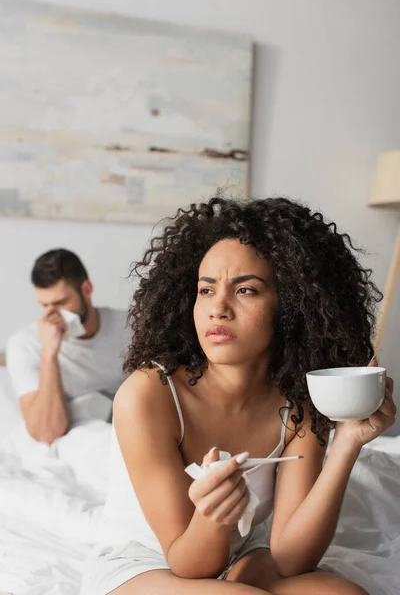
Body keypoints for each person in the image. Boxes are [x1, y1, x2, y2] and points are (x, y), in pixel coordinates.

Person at [80, 196, 396, 595]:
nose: (218, 309)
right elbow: (189, 563)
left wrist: (348, 441)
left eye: (246, 290)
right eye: (206, 290)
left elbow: (290, 558)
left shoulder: (297, 404)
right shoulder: (148, 396)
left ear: (292, 305)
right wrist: (215, 515)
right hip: (150, 563)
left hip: (244, 555)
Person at [6, 248, 128, 444]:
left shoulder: (129, 326)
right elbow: (46, 433)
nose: (52, 316)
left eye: (61, 303)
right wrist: (49, 353)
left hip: (127, 426)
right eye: (44, 306)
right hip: (79, 440)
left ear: (86, 290)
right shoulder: (25, 345)